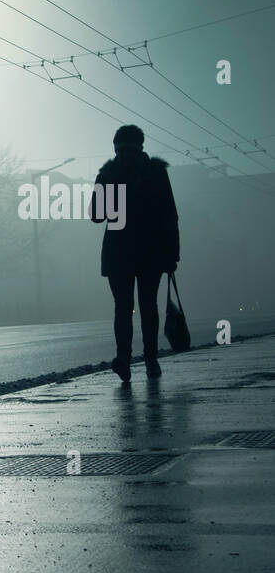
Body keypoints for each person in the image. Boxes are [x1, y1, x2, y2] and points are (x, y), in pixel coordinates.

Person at [90, 124, 180, 382]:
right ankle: (146, 360)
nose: (124, 153)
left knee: (126, 307)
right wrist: (172, 254)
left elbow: (97, 216)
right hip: (145, 252)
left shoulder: (110, 173)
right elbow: (169, 216)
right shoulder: (152, 172)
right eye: (122, 149)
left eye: (126, 148)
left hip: (124, 253)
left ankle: (130, 359)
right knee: (143, 306)